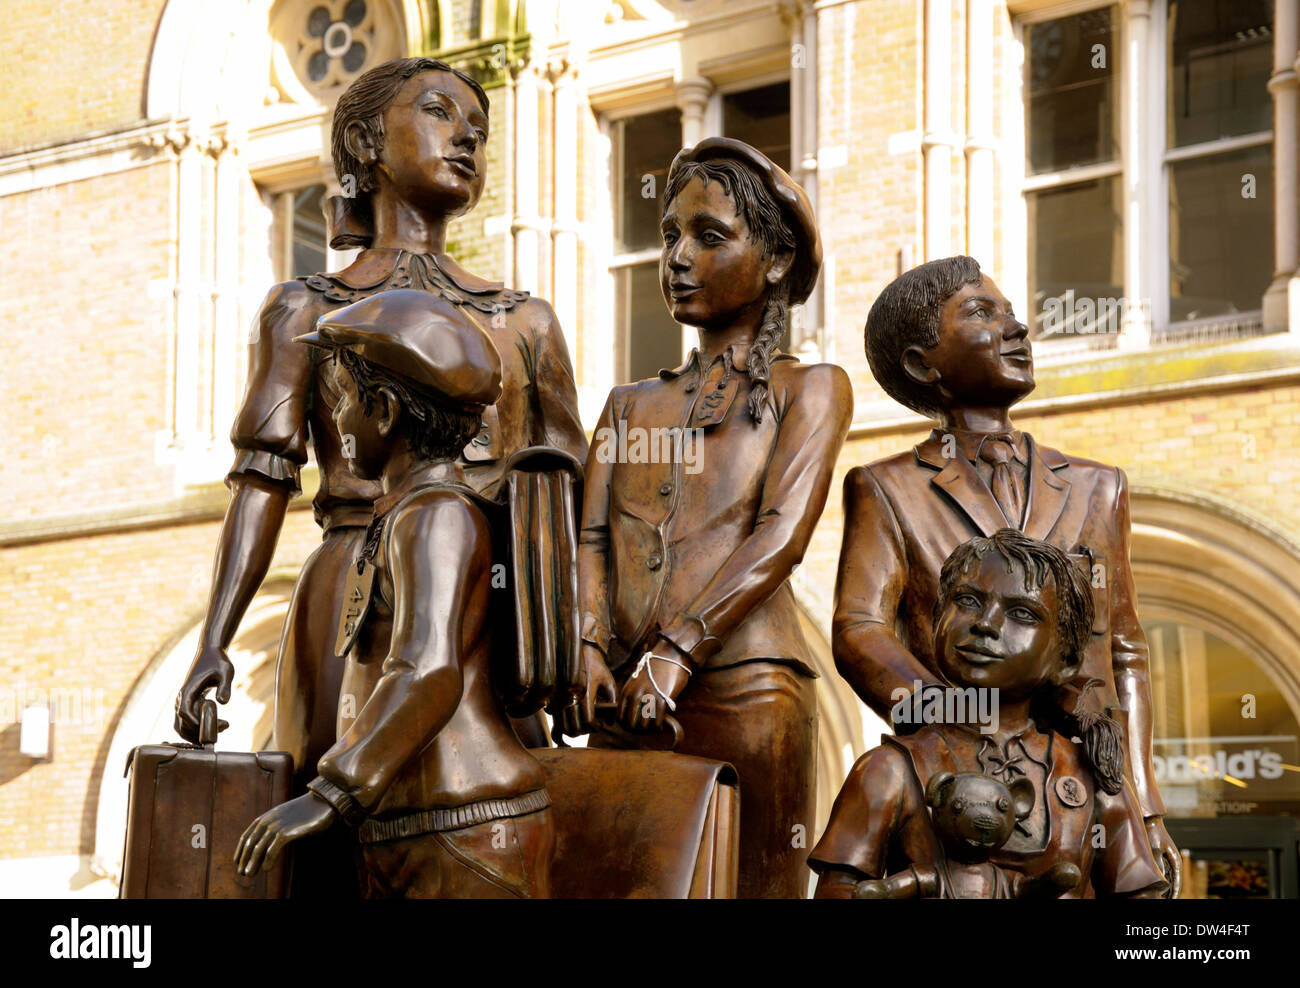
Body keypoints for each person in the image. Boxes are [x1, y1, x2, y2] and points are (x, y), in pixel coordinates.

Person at [173, 57, 585, 893]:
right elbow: (263, 477)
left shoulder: (525, 318)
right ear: (365, 141)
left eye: (479, 125)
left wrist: (580, 642)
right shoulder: (307, 307)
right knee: (324, 859)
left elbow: (572, 496)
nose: (467, 135)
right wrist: (214, 639)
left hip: (493, 608)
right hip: (348, 604)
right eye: (439, 112)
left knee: (478, 827)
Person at [832, 255, 1179, 892]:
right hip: (955, 784)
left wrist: (1142, 800)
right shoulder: (887, 488)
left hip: (1083, 783)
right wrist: (954, 716)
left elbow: (1122, 650)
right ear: (920, 364)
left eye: (1013, 314)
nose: (1016, 329)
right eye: (982, 313)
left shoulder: (1098, 488)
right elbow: (859, 628)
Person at [574, 137, 853, 898]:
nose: (677, 257)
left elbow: (781, 534)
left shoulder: (813, 388)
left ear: (774, 259)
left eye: (708, 236)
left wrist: (678, 653)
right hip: (623, 697)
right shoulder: (628, 404)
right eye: (670, 235)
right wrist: (591, 648)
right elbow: (592, 536)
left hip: (747, 689)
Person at [234, 289, 553, 898]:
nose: (338, 422)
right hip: (417, 822)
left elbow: (425, 671)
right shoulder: (408, 514)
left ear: (382, 410)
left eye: (344, 400)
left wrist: (331, 792)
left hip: (465, 828)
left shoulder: (435, 518)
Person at [810, 529, 1168, 899]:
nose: (986, 624)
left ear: (1066, 662)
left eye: (1021, 613)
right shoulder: (888, 771)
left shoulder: (1091, 779)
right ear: (937, 622)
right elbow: (839, 894)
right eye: (967, 600)